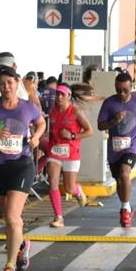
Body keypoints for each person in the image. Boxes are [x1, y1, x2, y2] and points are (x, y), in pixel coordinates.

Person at [0, 66, 46, 271]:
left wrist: (36, 137)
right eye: (2, 84)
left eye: (10, 83)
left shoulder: (27, 107)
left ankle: (9, 268)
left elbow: (41, 122)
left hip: (21, 165)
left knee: (14, 218)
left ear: (17, 83)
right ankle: (23, 244)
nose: (7, 87)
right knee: (8, 217)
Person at [97, 71, 136, 228]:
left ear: (131, 86)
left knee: (125, 173)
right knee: (119, 180)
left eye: (125, 90)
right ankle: (127, 205)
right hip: (115, 149)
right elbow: (100, 126)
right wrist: (113, 120)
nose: (122, 93)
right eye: (118, 90)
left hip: (131, 145)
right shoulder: (109, 103)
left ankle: (125, 209)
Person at [46, 83, 93, 227]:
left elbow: (89, 130)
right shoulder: (53, 111)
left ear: (69, 96)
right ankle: (58, 217)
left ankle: (77, 191)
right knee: (53, 182)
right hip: (55, 151)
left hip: (71, 153)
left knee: (68, 188)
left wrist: (72, 135)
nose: (59, 97)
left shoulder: (75, 111)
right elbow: (51, 131)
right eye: (57, 94)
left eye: (62, 94)